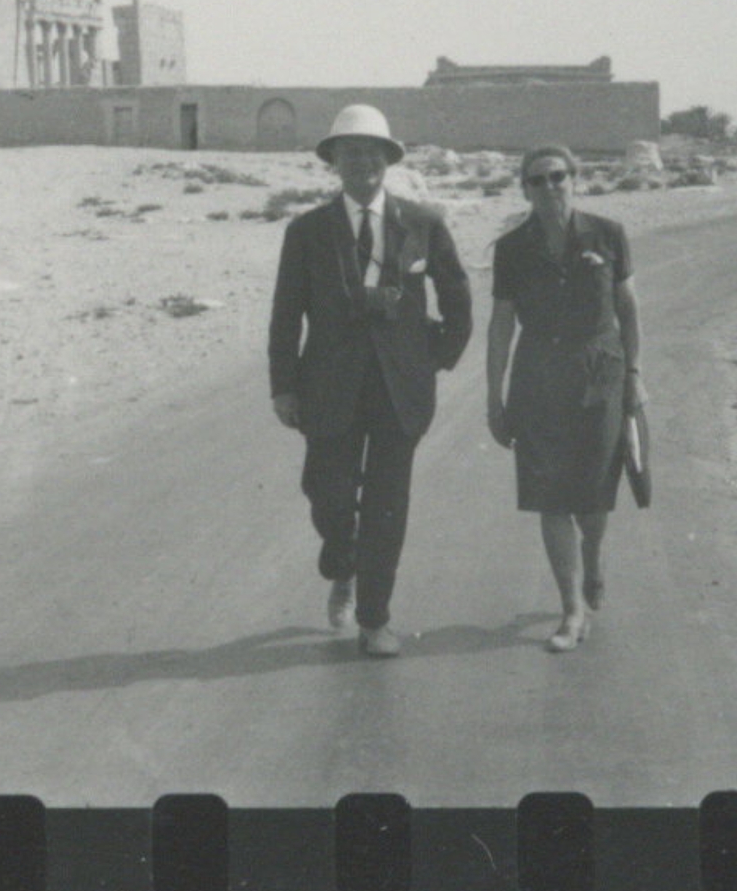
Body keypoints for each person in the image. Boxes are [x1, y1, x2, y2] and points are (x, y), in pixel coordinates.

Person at [269, 104, 472, 657]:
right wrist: (283, 386)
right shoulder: (307, 231)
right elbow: (287, 314)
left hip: (399, 392)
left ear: (388, 160)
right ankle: (342, 560)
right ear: (334, 162)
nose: (362, 163)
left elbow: (457, 300)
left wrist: (431, 359)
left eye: (372, 152)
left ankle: (374, 619)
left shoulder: (423, 223)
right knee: (327, 493)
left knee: (387, 502)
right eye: (349, 152)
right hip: (327, 387)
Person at [486, 145, 647, 653]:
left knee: (593, 498)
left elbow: (628, 310)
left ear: (575, 180)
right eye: (537, 181)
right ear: (525, 190)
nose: (549, 187)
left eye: (558, 177)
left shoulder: (608, 235)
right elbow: (501, 323)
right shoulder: (511, 249)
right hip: (537, 382)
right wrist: (495, 394)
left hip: (600, 374)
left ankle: (594, 557)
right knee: (550, 499)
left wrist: (634, 376)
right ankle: (572, 609)